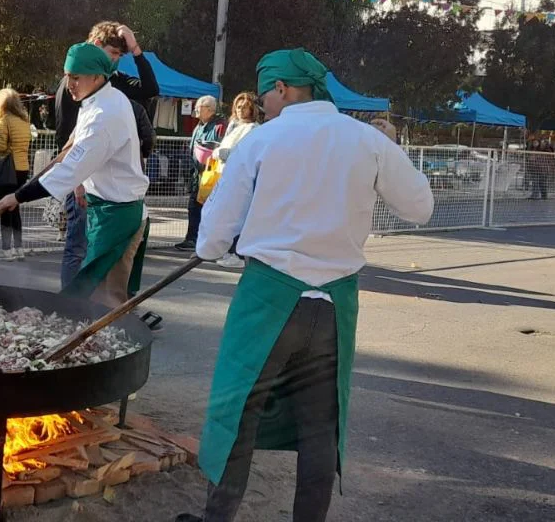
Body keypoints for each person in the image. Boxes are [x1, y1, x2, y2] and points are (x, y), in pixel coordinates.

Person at [176, 49, 434, 522]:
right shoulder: (366, 141)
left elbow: (210, 241)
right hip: (334, 306)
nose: (261, 105)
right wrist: (393, 146)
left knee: (238, 414)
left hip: (269, 297)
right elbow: (421, 207)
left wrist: (229, 240)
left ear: (282, 89)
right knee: (320, 424)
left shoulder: (262, 140)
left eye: (264, 94)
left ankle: (217, 519)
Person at [0, 42, 149, 307]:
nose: (69, 85)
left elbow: (68, 171)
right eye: (67, 76)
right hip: (105, 208)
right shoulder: (100, 99)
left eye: (76, 78)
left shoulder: (106, 114)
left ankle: (105, 342)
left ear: (97, 76)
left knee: (106, 294)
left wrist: (18, 197)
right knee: (97, 290)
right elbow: (74, 149)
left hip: (120, 213)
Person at [55, 22, 159, 290]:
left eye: (119, 56)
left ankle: (102, 307)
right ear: (96, 46)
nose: (115, 61)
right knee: (79, 248)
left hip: (111, 186)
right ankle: (69, 304)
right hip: (82, 177)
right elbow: (67, 134)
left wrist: (136, 49)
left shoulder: (113, 82)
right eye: (112, 53)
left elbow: (150, 89)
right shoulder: (76, 82)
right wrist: (77, 181)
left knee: (104, 254)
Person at [211, 92, 261, 269]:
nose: (240, 110)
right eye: (238, 107)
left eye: (244, 107)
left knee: (238, 217)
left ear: (251, 109)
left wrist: (221, 153)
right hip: (226, 175)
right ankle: (228, 250)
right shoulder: (233, 125)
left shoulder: (253, 128)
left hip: (241, 179)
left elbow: (242, 153)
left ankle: (236, 253)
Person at [176, 95, 226, 251]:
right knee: (194, 207)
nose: (196, 109)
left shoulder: (220, 127)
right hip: (197, 175)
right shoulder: (198, 127)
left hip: (211, 176)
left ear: (210, 109)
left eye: (199, 106)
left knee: (206, 209)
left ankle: (200, 240)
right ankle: (192, 239)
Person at [0, 88, 32, 261]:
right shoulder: (24, 120)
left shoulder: (4, 119)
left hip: (8, 169)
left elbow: (1, 146)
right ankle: (19, 248)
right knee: (15, 207)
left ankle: (6, 250)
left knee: (4, 208)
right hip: (22, 167)